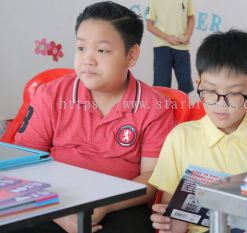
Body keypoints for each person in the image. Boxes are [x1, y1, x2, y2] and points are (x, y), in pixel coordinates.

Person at [13, 2, 175, 233]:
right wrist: (55, 210)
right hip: (50, 198)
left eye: (102, 51)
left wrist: (105, 204)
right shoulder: (51, 95)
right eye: (81, 48)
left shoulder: (154, 106)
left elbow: (152, 177)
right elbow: (24, 164)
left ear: (131, 55)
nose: (88, 60)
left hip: (119, 203)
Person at [149, 29, 247, 233]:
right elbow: (174, 214)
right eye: (210, 91)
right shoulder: (180, 137)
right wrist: (169, 223)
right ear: (198, 85)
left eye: (234, 94)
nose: (220, 105)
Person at [146, 0, 195, 94]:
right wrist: (167, 38)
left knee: (185, 84)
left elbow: (191, 17)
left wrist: (188, 35)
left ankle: (182, 107)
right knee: (161, 85)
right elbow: (149, 25)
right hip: (162, 48)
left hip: (182, 47)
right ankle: (163, 108)